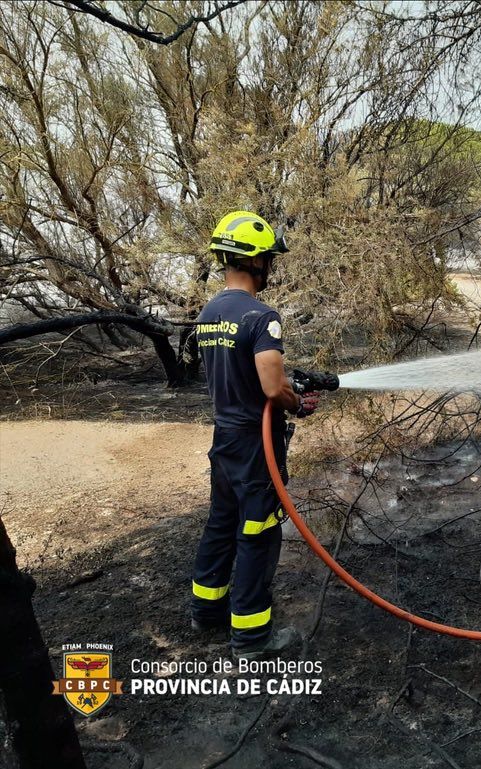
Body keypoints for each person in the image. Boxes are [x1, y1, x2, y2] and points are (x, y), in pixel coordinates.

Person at [190, 210, 320, 660]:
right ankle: (250, 636)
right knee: (259, 530)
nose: (270, 267)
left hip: (224, 437)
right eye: (268, 258)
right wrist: (296, 401)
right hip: (254, 444)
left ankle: (206, 612)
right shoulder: (262, 316)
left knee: (221, 522)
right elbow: (270, 386)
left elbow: (241, 372)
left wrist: (287, 384)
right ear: (256, 262)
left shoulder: (209, 312)